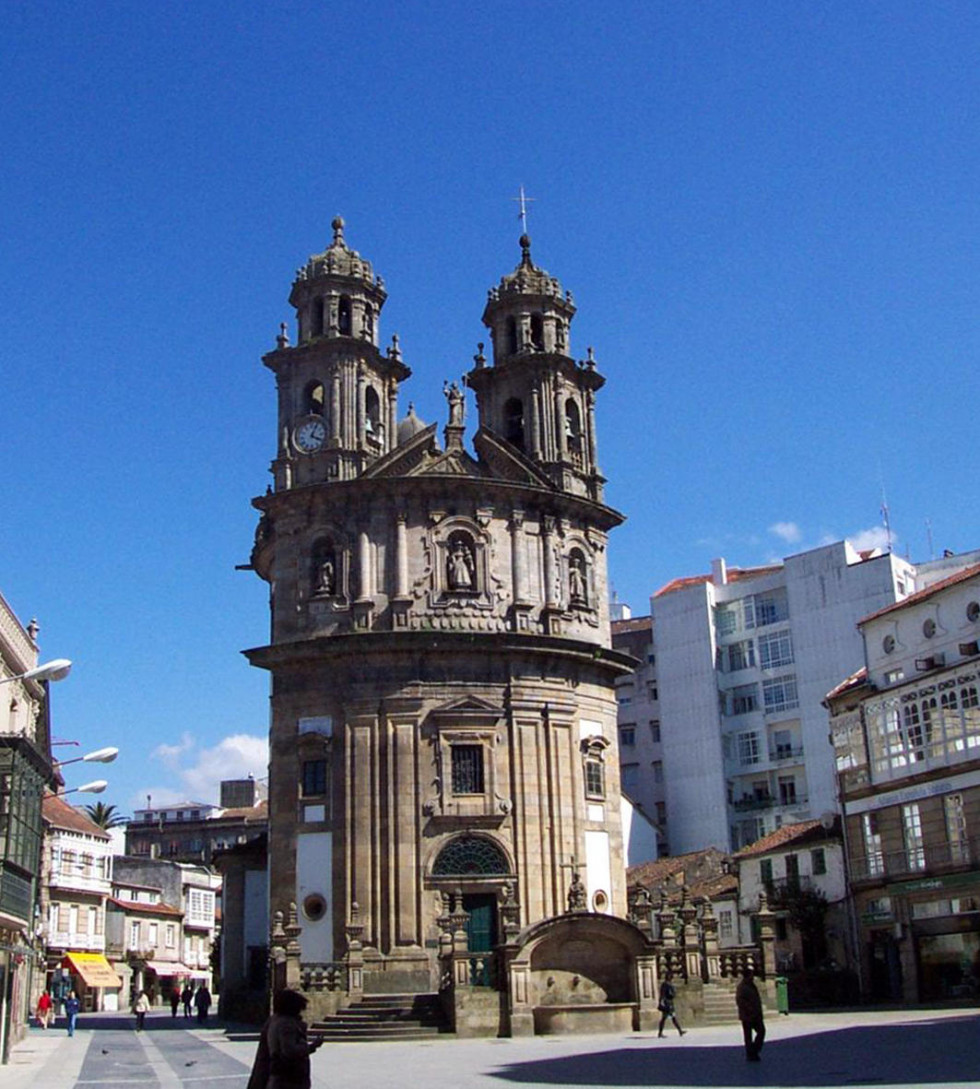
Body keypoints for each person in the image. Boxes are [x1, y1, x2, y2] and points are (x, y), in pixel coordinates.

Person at [247, 989, 324, 1089]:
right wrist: (312, 1046)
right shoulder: (286, 1024)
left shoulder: (274, 1021)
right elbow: (289, 1051)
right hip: (288, 1078)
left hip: (278, 1076)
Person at [735, 968, 766, 1061]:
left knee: (761, 1031)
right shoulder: (742, 987)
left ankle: (754, 1050)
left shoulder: (751, 985)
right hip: (748, 1015)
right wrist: (749, 1010)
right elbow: (740, 1001)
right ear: (748, 976)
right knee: (749, 1036)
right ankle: (751, 1053)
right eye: (751, 975)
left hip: (755, 1014)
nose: (753, 976)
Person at [657, 972, 686, 1038]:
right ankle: (661, 1033)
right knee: (668, 1018)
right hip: (668, 1004)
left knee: (670, 1018)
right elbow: (666, 994)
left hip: (668, 1003)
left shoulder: (665, 984)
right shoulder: (666, 985)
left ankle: (680, 1031)